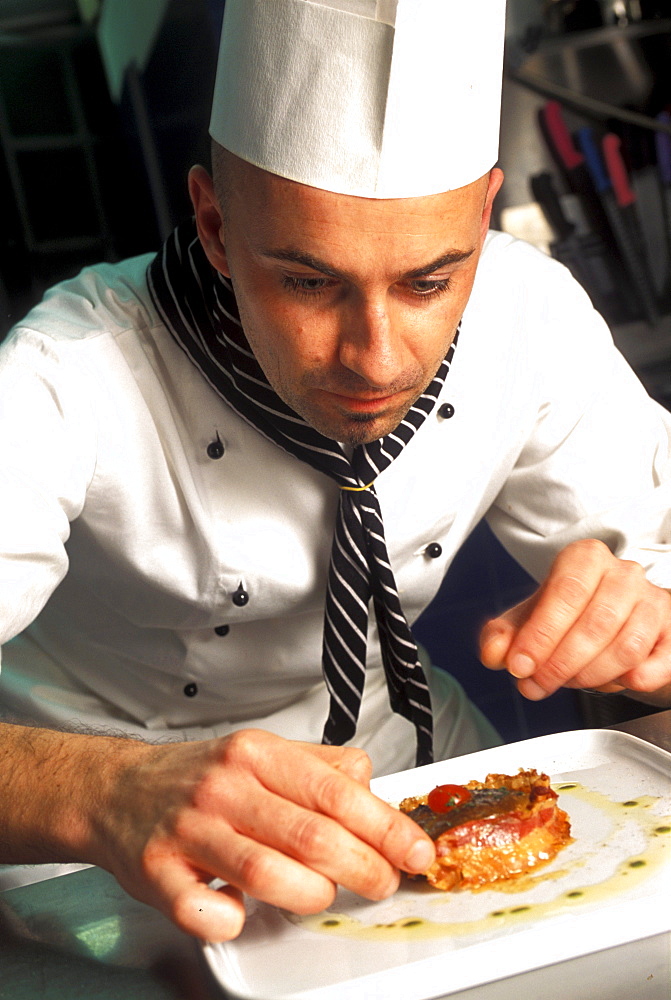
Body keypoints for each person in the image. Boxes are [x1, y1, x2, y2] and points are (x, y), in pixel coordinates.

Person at [1, 0, 670, 942]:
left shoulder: (529, 315)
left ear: (484, 214)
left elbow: (662, 540)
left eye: (430, 281)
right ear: (215, 224)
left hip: (398, 760)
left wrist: (651, 606)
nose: (378, 358)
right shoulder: (65, 376)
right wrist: (99, 791)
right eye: (309, 282)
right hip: (101, 812)